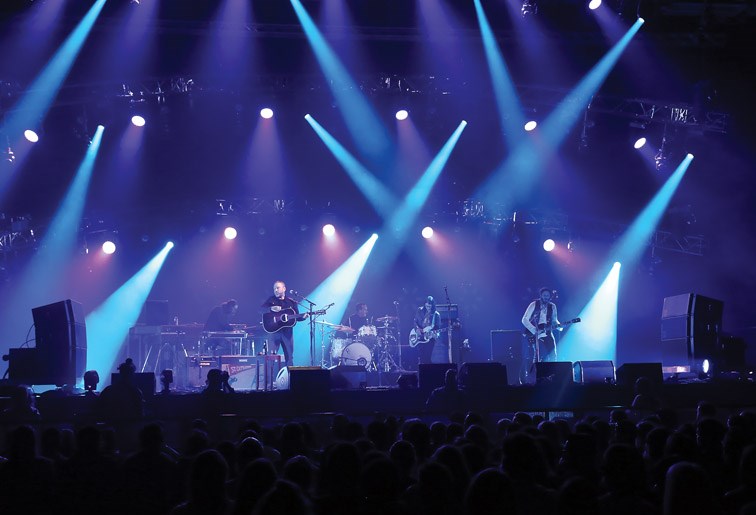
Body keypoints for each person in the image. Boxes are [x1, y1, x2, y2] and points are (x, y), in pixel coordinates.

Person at [261, 280, 306, 367]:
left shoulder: (291, 302)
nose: (276, 290)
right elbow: (260, 310)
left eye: (277, 288)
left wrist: (303, 317)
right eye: (274, 289)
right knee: (271, 358)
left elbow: (296, 316)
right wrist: (271, 308)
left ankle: (289, 379)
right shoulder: (271, 300)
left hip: (287, 333)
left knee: (289, 358)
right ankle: (268, 380)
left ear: (284, 288)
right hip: (274, 332)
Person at [520, 287, 561, 384]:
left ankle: (553, 375)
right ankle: (534, 376)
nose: (546, 297)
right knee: (537, 355)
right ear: (541, 295)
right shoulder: (534, 304)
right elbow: (524, 319)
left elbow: (554, 320)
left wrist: (560, 326)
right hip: (535, 332)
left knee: (553, 353)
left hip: (547, 332)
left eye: (548, 296)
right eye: (544, 295)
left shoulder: (552, 306)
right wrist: (534, 330)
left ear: (550, 297)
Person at [414, 295, 442, 365]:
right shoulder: (419, 310)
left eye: (430, 306)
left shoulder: (436, 315)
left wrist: (435, 335)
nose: (428, 308)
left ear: (433, 305)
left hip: (430, 339)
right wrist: (417, 329)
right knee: (420, 357)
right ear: (425, 304)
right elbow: (415, 321)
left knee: (428, 358)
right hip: (419, 336)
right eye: (427, 306)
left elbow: (438, 329)